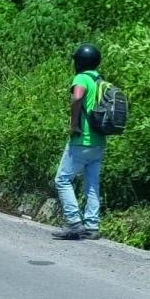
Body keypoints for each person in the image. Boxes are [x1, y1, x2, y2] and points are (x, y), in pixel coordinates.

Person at [52, 44, 105, 240]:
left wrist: (73, 125)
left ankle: (74, 223)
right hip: (99, 141)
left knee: (62, 179)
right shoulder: (100, 80)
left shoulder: (81, 78)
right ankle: (92, 225)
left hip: (82, 139)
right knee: (92, 183)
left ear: (80, 61)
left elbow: (77, 98)